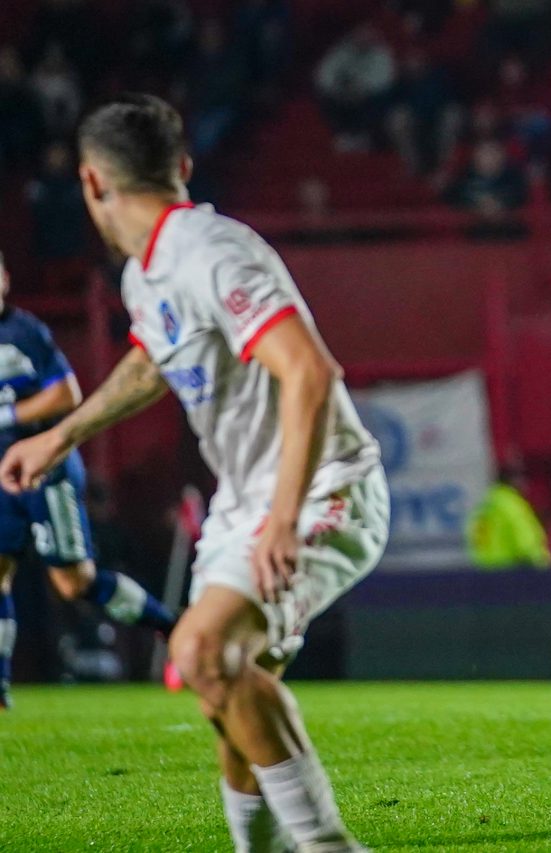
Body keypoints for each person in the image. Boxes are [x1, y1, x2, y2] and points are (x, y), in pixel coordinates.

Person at [0, 95, 387, 852]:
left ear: (90, 181)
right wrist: (60, 437)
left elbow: (309, 372)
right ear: (180, 165)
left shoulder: (211, 251)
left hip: (319, 486)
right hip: (245, 502)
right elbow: (152, 362)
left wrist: (283, 518)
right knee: (229, 695)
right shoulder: (147, 274)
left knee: (203, 653)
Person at [0, 251, 175, 711]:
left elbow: (66, 393)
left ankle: (171, 626)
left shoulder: (24, 332)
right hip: (1, 476)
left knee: (74, 583)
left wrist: (8, 415)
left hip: (45, 469)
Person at [465, 466, 551, 569]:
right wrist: (539, 562)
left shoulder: (484, 505)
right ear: (513, 481)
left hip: (483, 569)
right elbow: (525, 538)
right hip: (511, 569)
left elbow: (473, 536)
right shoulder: (511, 504)